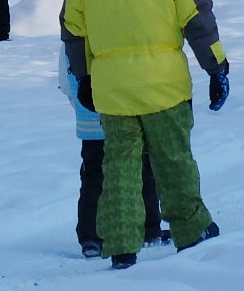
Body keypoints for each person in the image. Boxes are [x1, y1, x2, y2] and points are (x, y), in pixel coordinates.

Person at [60, 0, 228, 269]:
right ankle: (191, 229)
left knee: (118, 168)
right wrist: (216, 67)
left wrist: (84, 78)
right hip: (164, 89)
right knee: (173, 161)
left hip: (113, 93)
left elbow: (73, 30)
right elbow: (199, 21)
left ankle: (120, 244)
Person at [59, 45, 167, 258]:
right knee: (141, 168)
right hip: (121, 113)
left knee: (93, 176)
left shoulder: (70, 39)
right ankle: (149, 228)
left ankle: (91, 236)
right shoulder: (112, 28)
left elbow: (65, 81)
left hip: (88, 120)